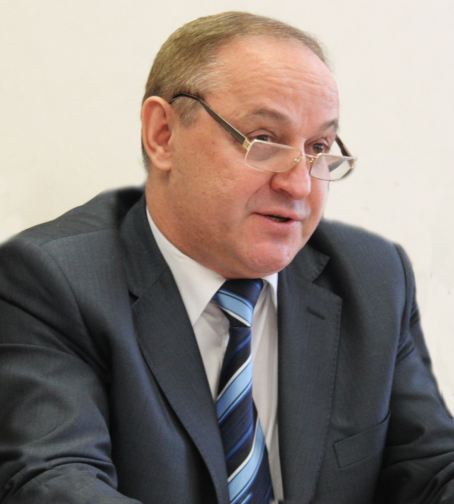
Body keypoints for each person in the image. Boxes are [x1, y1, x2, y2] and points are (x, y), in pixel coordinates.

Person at [1, 11, 454, 504]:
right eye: (264, 140)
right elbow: (54, 483)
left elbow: (429, 469)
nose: (299, 184)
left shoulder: (373, 277)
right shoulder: (54, 280)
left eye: (319, 147)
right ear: (163, 134)